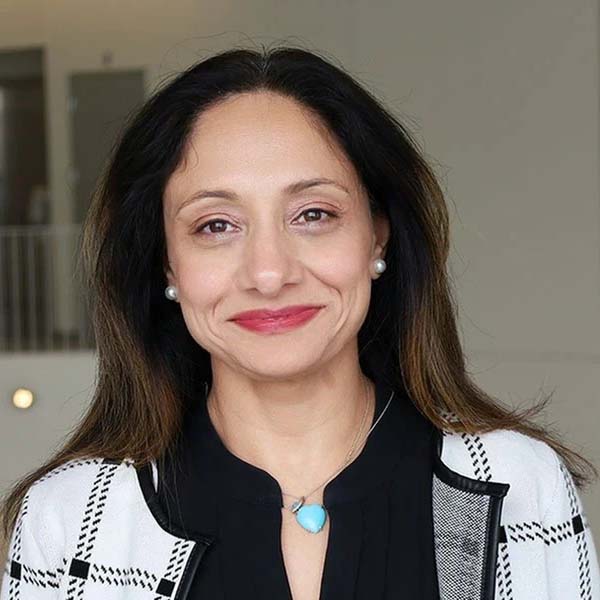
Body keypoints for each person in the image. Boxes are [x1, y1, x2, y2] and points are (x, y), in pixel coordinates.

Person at [1, 44, 599, 600]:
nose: (269, 273)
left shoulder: (522, 487)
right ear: (167, 262)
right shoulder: (71, 520)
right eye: (216, 225)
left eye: (313, 214)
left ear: (377, 236)